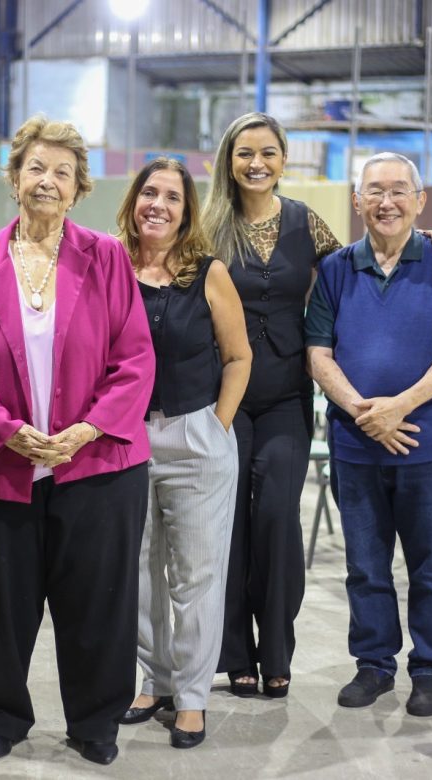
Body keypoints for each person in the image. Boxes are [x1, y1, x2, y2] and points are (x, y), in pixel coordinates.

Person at [0, 115, 155, 766]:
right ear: (13, 179)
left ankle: (95, 723)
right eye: (36, 168)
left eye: (62, 172)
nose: (48, 181)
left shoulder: (107, 258)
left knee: (97, 604)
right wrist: (9, 432)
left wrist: (85, 428)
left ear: (78, 189)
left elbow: (136, 358)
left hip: (96, 462)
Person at [306, 153, 432, 717]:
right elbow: (317, 352)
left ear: (420, 200)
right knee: (365, 563)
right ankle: (374, 665)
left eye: (399, 191)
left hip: (430, 446)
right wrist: (363, 412)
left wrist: (398, 407)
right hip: (357, 446)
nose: (387, 202)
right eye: (374, 191)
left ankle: (430, 670)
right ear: (357, 202)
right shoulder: (335, 269)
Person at [202, 112, 342, 699]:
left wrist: (419, 239)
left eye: (267, 153)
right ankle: (235, 652)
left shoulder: (306, 224)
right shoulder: (208, 226)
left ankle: (276, 648)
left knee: (278, 518)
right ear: (227, 161)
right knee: (227, 524)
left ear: (285, 159)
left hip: (286, 394)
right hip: (221, 399)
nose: (255, 164)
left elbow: (351, 268)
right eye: (243, 153)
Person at [114, 159, 251, 748]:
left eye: (172, 196)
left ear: (187, 210)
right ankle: (152, 680)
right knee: (138, 571)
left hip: (195, 436)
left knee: (195, 575)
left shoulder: (209, 273)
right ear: (133, 200)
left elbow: (240, 356)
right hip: (125, 437)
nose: (158, 204)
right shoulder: (111, 264)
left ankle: (192, 696)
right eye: (149, 192)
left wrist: (217, 425)